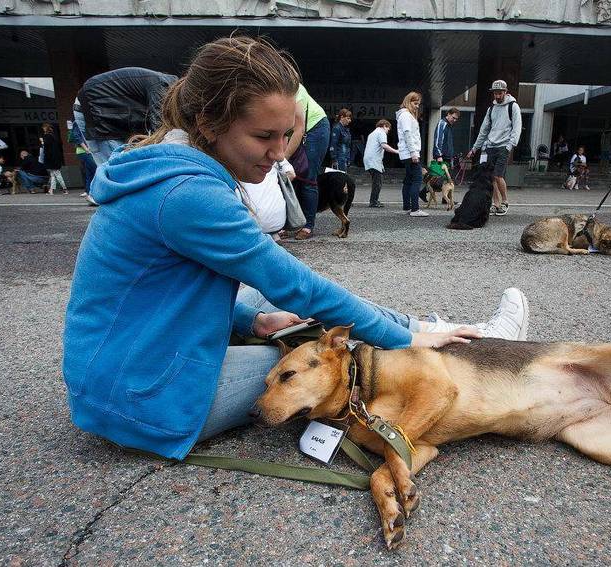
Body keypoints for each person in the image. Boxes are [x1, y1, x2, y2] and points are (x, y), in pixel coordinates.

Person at [62, 37, 530, 460]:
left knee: (270, 309)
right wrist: (404, 338)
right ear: (207, 124)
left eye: (286, 134)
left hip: (117, 364)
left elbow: (157, 296)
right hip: (138, 395)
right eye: (264, 136)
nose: (280, 151)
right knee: (314, 364)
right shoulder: (189, 196)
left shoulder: (169, 167)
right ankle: (467, 342)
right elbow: (297, 284)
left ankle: (452, 331)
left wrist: (251, 321)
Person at [77, 67, 177, 166]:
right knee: (118, 167)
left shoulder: (166, 85)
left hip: (111, 112)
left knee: (127, 165)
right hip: (96, 109)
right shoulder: (162, 86)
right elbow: (159, 128)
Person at [466, 80, 522, 216]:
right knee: (491, 177)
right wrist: (474, 148)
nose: (497, 96)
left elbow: (517, 128)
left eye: (500, 93)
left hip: (504, 146)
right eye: (495, 93)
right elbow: (483, 130)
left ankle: (505, 202)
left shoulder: (513, 107)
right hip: (490, 146)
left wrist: (510, 145)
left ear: (505, 92)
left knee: (498, 175)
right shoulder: (491, 109)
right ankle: (495, 204)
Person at [286, 84, 330, 241]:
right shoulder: (269, 91)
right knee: (290, 178)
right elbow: (283, 130)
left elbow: (299, 129)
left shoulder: (295, 89)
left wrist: (283, 158)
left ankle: (308, 225)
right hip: (294, 132)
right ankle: (289, 223)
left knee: (307, 177)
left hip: (315, 129)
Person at [396, 91, 428, 217]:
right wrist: (414, 153)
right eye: (415, 103)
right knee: (417, 179)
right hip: (411, 153)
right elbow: (408, 134)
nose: (417, 106)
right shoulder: (406, 116)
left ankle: (407, 207)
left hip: (407, 153)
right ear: (409, 102)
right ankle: (415, 209)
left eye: (418, 104)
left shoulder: (404, 115)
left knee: (408, 180)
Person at [363, 119, 399, 208]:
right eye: (388, 129)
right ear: (384, 126)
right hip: (374, 161)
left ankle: (374, 200)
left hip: (369, 160)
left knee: (377, 181)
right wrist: (396, 151)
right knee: (378, 182)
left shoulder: (372, 133)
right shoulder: (381, 133)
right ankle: (373, 202)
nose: (388, 131)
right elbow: (384, 146)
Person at [68, 120, 97, 197]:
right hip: (85, 151)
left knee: (88, 172)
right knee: (93, 171)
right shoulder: (78, 122)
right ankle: (92, 191)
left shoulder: (82, 121)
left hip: (85, 151)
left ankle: (89, 191)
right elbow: (77, 136)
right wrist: (86, 149)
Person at [41, 123, 67, 195]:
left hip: (51, 159)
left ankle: (64, 189)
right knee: (53, 175)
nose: (43, 129)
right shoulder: (54, 136)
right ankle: (51, 190)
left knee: (56, 174)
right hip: (56, 158)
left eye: (43, 128)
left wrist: (42, 142)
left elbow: (46, 147)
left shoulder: (47, 136)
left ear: (46, 128)